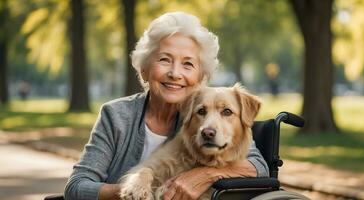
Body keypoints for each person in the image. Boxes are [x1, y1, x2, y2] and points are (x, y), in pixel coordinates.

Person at [64, 11, 269, 200]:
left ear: (200, 77)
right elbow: (76, 186)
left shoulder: (205, 121)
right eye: (164, 60)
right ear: (144, 69)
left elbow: (258, 167)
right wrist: (134, 192)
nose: (175, 73)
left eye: (188, 64)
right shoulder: (115, 115)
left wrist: (203, 175)